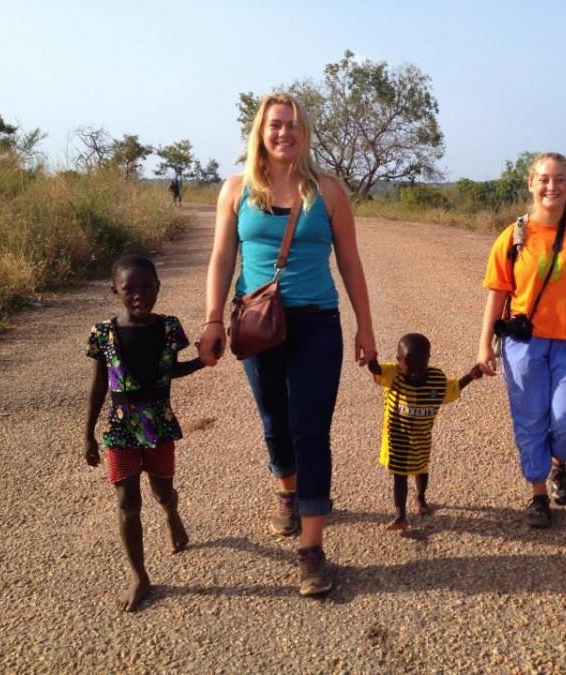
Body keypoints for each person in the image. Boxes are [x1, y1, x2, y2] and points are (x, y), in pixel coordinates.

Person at [197, 93, 376, 596]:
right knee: (274, 418)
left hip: (317, 323)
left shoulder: (331, 193)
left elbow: (351, 263)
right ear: (261, 130)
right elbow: (220, 257)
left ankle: (312, 551)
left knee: (311, 428)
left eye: (294, 125)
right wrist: (213, 320)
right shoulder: (235, 190)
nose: (284, 133)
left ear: (305, 133)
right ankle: (287, 493)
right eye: (276, 125)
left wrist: (365, 326)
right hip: (257, 324)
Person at [476, 152, 566, 528]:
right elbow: (497, 294)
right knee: (530, 418)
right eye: (544, 179)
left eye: (559, 179)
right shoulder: (513, 236)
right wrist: (483, 347)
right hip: (525, 345)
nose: (551, 187)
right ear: (530, 183)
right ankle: (538, 494)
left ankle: (559, 462)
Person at [84, 254, 205, 612]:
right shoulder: (103, 334)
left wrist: (203, 360)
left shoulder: (169, 328)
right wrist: (87, 434)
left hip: (159, 424)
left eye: (147, 287)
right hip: (120, 427)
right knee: (127, 503)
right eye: (129, 289)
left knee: (162, 491)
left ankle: (171, 513)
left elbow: (171, 372)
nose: (140, 295)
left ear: (158, 287)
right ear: (115, 291)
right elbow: (97, 386)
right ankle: (139, 575)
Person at [368, 333, 482, 531]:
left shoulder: (436, 380)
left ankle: (420, 498)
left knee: (421, 469)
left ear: (429, 359)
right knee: (400, 476)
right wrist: (370, 358)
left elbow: (452, 388)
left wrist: (470, 377)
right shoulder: (392, 375)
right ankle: (400, 515)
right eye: (410, 370)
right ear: (398, 361)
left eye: (420, 370)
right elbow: (376, 370)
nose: (415, 375)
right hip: (397, 441)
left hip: (421, 439)